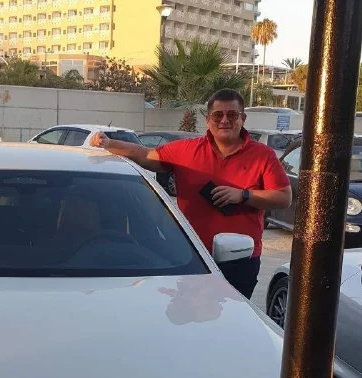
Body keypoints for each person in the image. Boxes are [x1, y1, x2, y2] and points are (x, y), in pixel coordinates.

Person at [91, 89, 292, 299]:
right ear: (208, 120)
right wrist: (108, 143)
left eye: (232, 115)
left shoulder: (263, 155)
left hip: (240, 260)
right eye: (218, 115)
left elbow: (284, 197)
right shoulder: (186, 151)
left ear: (243, 118)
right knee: (187, 313)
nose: (224, 120)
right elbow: (144, 155)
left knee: (233, 317)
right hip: (190, 257)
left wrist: (244, 195)